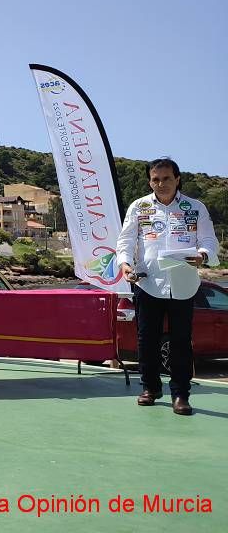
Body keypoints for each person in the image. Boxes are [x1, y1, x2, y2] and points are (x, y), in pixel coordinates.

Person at [116, 157, 220, 415]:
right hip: (147, 283)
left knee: (181, 342)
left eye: (166, 178)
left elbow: (208, 239)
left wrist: (203, 255)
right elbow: (125, 241)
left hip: (183, 285)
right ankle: (150, 388)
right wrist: (125, 264)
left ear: (177, 179)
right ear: (150, 180)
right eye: (155, 179)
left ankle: (180, 395)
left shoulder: (195, 207)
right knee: (146, 340)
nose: (161, 184)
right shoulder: (138, 207)